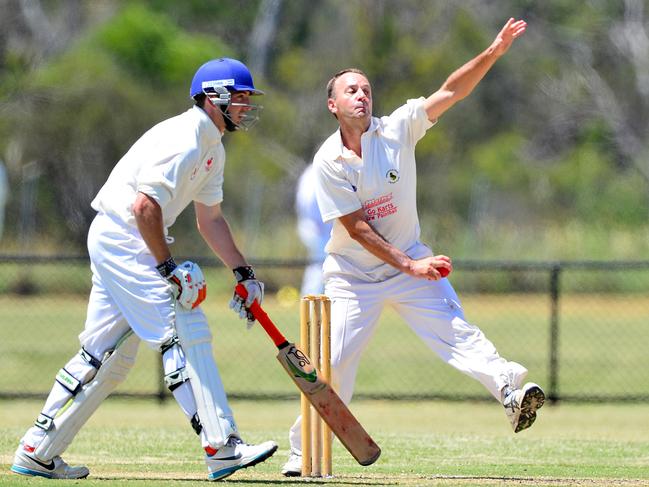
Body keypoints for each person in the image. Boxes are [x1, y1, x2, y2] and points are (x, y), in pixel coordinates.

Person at [282, 18, 544, 476]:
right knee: (334, 364)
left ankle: (510, 390)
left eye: (366, 89)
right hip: (352, 276)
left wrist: (493, 53)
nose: (362, 95)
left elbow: (450, 91)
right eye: (351, 90)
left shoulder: (399, 128)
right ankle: (302, 452)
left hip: (410, 264)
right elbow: (357, 227)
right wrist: (411, 264)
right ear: (332, 104)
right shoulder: (328, 161)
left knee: (456, 333)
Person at [11, 57, 278, 481]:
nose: (246, 105)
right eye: (240, 97)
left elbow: (210, 220)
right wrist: (167, 267)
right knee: (184, 328)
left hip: (120, 236)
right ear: (215, 98)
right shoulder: (186, 136)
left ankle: (37, 449)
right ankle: (221, 444)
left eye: (248, 98)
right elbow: (144, 206)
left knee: (108, 356)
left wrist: (244, 274)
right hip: (123, 235)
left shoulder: (213, 147)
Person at [295, 163, 333, 295]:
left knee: (318, 266)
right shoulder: (318, 171)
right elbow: (309, 202)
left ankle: (311, 301)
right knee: (321, 267)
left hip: (313, 226)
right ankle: (312, 303)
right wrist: (319, 224)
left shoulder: (310, 171)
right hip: (318, 228)